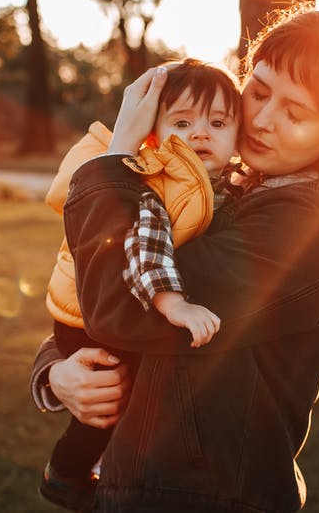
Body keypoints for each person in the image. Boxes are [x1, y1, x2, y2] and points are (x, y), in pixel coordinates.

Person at [30, 4, 319, 512]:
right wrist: (57, 371)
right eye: (261, 91)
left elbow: (119, 309)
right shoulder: (222, 191)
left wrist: (114, 160)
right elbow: (115, 279)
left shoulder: (308, 228)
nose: (264, 120)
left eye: (296, 112)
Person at [39, 59, 242, 510]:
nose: (201, 133)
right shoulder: (157, 177)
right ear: (154, 130)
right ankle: (64, 474)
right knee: (105, 409)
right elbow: (145, 244)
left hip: (100, 307)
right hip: (85, 318)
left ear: (237, 133)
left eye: (218, 122)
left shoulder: (211, 181)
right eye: (183, 122)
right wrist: (175, 305)